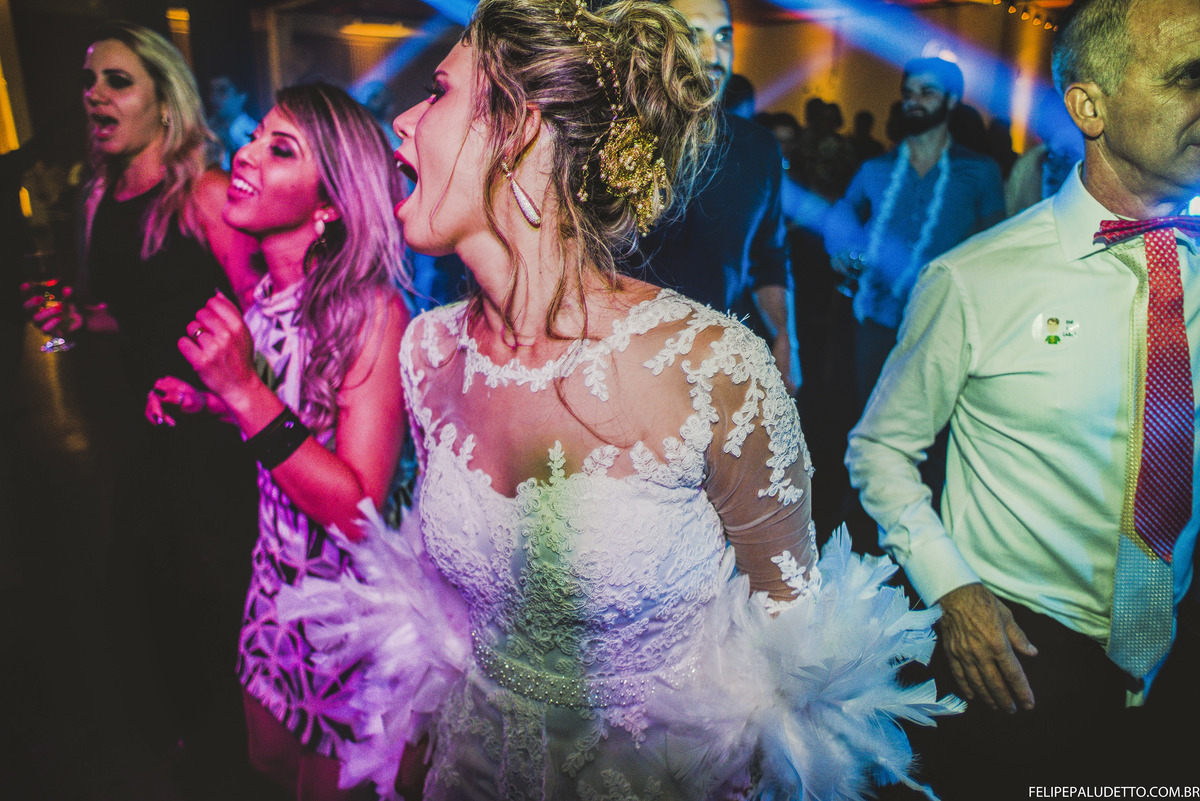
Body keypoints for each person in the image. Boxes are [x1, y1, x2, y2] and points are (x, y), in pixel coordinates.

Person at [284, 1, 961, 799]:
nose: (400, 120)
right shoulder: (427, 352)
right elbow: (450, 608)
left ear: (518, 131)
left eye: (437, 92)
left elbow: (798, 663)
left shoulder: (711, 367)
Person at [845, 0, 1200, 794]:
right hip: (1025, 657)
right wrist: (951, 588)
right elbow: (879, 448)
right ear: (1090, 107)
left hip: (1178, 647)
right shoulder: (977, 279)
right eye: (1188, 78)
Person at [147, 82, 410, 800]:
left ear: (330, 203)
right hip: (272, 583)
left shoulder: (370, 313)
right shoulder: (265, 299)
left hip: (345, 608)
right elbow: (293, 425)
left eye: (281, 148)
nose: (246, 154)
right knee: (266, 762)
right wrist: (209, 402)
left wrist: (242, 391)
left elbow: (357, 507)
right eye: (256, 136)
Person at [27, 22, 264, 796]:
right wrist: (75, 319)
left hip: (218, 447)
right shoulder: (99, 196)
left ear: (166, 101)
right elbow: (130, 314)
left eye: (117, 81)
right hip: (144, 439)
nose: (94, 95)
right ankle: (198, 757)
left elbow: (268, 324)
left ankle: (243, 768)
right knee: (147, 603)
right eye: (89, 81)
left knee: (219, 614)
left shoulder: (205, 195)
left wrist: (212, 395)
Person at [633, 0, 798, 393]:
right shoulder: (623, 140)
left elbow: (768, 259)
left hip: (720, 368)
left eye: (723, 36)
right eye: (694, 35)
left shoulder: (757, 148)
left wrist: (786, 338)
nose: (713, 55)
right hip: (633, 366)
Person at [826, 56, 1004, 413]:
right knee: (871, 422)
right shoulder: (876, 168)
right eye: (908, 93)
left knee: (930, 427)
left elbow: (995, 245)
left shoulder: (979, 171)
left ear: (952, 99)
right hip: (877, 320)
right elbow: (842, 214)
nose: (914, 101)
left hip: (944, 326)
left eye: (927, 92)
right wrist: (841, 250)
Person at [208, 74, 258, 171]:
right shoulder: (209, 130)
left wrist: (229, 144)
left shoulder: (254, 132)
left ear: (242, 96)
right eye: (212, 91)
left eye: (222, 91)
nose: (214, 98)